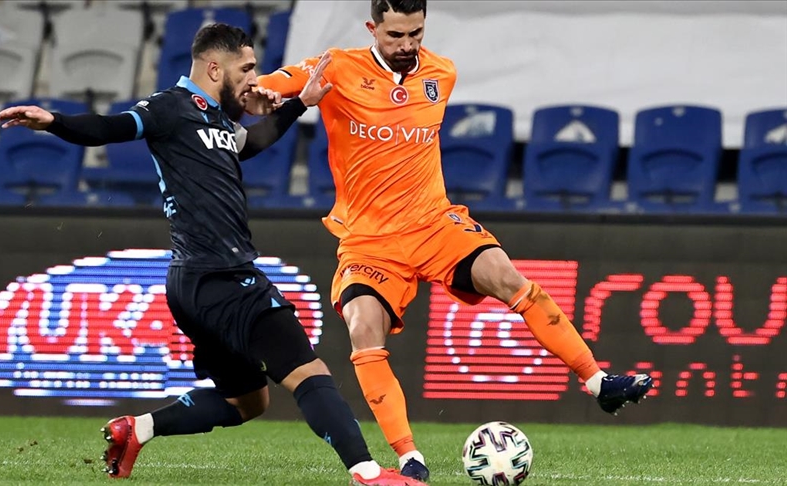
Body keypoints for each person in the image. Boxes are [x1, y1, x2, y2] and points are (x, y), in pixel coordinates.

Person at [0, 23, 426, 486]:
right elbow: (110, 127)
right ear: (215, 68)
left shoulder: (218, 119)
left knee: (248, 402)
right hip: (223, 275)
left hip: (192, 285)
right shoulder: (169, 108)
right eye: (247, 69)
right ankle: (367, 473)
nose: (253, 79)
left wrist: (301, 103)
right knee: (308, 371)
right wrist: (55, 122)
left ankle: (138, 429)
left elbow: (250, 144)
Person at [258, 0, 654, 480]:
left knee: (509, 278)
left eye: (416, 34)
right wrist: (263, 92)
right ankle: (410, 457)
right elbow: (267, 88)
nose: (407, 45)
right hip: (369, 238)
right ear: (372, 28)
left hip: (434, 224)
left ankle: (597, 381)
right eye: (395, 35)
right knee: (363, 329)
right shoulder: (337, 67)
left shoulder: (441, 73)